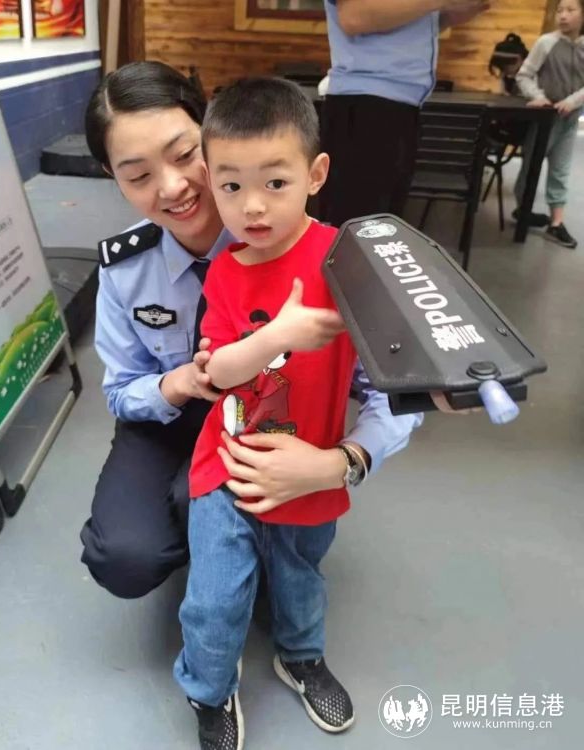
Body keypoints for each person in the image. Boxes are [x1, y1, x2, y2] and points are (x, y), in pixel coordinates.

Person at [79, 62, 420, 609]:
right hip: (171, 418)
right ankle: (223, 554)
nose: (172, 187)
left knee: (224, 498)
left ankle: (249, 552)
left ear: (214, 137)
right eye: (138, 176)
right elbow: (121, 391)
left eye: (185, 155)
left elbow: (399, 387)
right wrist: (179, 383)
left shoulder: (328, 259)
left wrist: (342, 463)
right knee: (125, 555)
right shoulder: (125, 268)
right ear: (111, 177)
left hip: (274, 418)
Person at [173, 78, 419, 750]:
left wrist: (338, 462)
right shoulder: (226, 272)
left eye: (275, 183)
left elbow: (402, 370)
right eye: (231, 185)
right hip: (228, 462)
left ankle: (301, 656)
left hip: (311, 463)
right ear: (211, 181)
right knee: (214, 596)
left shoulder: (347, 260)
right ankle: (208, 688)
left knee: (299, 576)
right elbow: (216, 372)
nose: (252, 205)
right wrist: (276, 336)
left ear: (315, 174)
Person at [320, 0, 490, 226]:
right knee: (357, 227)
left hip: (398, 107)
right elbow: (354, 17)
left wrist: (460, 9)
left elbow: (410, 20)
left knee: (382, 227)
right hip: (367, 105)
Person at [514, 0, 584, 249]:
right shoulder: (546, 42)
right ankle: (523, 209)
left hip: (569, 119)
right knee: (530, 166)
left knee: (560, 170)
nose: (563, 15)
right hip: (545, 120)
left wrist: (572, 101)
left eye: (570, 10)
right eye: (559, 10)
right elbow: (524, 75)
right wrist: (537, 96)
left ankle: (556, 223)